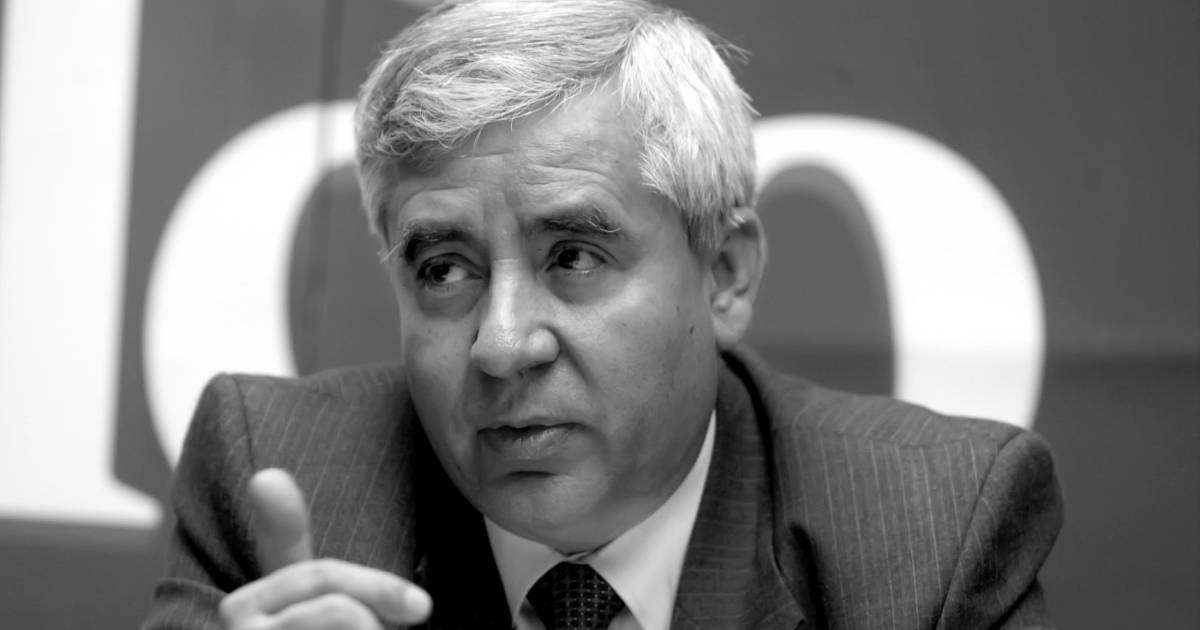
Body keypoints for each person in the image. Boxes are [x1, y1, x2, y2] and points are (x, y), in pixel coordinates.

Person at [143, 1, 1062, 628]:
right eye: (445, 269)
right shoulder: (278, 481)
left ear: (725, 273)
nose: (503, 345)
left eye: (574, 257)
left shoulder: (931, 538)